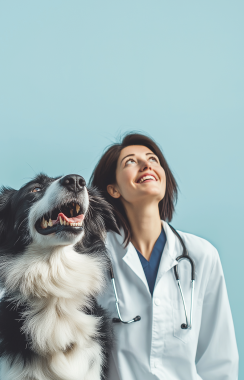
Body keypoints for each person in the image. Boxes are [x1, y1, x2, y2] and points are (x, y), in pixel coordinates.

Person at [91, 133, 239, 380]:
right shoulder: (91, 254)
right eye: (130, 161)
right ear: (113, 189)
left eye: (153, 159)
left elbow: (219, 359)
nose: (146, 165)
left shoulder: (202, 255)